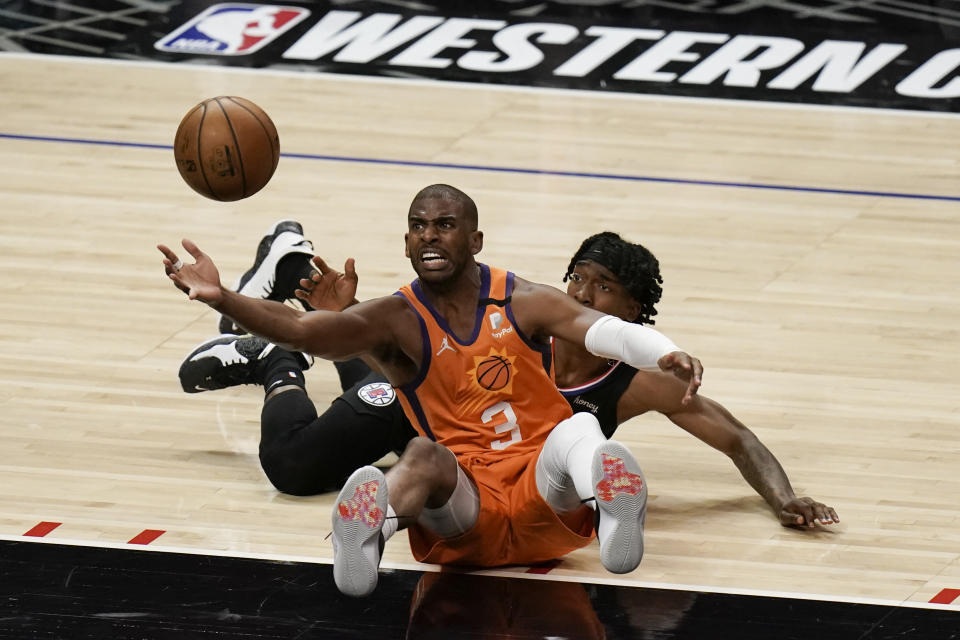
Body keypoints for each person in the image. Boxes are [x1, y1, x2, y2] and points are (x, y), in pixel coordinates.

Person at [159, 183, 703, 597]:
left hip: (545, 494)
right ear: (406, 242)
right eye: (419, 226)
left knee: (580, 429)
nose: (429, 235)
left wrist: (662, 351)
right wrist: (220, 297)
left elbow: (600, 329)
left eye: (444, 224)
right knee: (421, 454)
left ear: (475, 240)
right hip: (465, 513)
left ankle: (612, 514)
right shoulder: (396, 316)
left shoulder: (522, 300)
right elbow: (303, 331)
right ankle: (367, 532)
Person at [180, 226, 838, 530]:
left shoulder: (636, 381)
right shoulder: (527, 318)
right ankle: (274, 364)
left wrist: (784, 500)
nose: (579, 290)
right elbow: (423, 351)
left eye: (600, 287)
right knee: (296, 470)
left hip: (485, 471)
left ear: (634, 311)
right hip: (427, 419)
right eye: (577, 275)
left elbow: (737, 439)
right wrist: (347, 319)